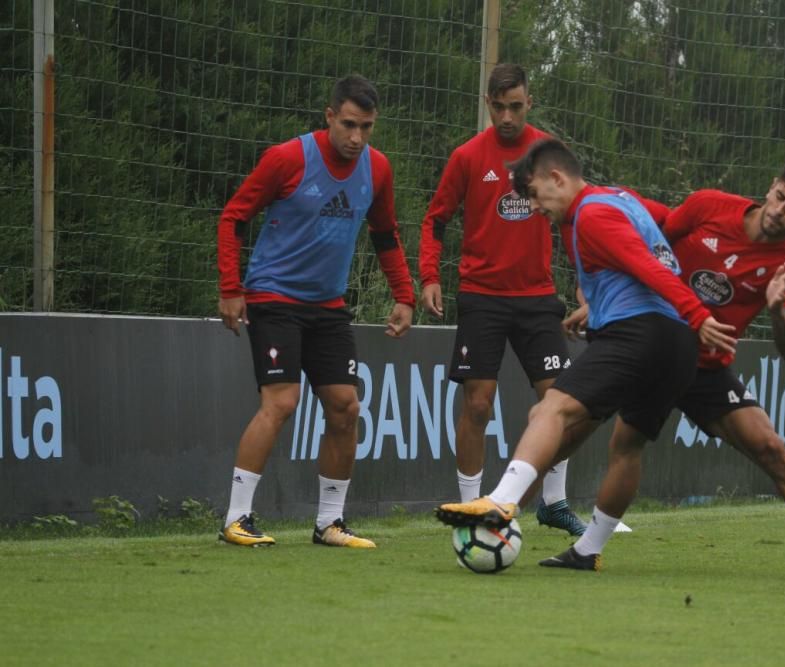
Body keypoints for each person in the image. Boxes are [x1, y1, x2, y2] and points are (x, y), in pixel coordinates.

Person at [562, 157, 785, 579]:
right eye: (780, 197)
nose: (779, 210)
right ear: (771, 185)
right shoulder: (707, 207)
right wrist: (597, 303)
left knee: (770, 447)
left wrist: (776, 310)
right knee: (607, 438)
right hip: (655, 345)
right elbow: (641, 253)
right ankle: (566, 540)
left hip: (705, 365)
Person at [434, 139, 738, 570]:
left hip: (641, 332)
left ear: (557, 178)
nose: (536, 209)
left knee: (550, 411)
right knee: (625, 444)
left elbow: (645, 266)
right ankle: (587, 550)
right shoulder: (623, 198)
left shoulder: (591, 215)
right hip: (676, 342)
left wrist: (698, 311)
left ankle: (499, 503)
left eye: (537, 196)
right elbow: (669, 231)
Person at [216, 74, 415, 548]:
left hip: (328, 306)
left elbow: (385, 235)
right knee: (282, 402)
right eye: (348, 124)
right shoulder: (286, 158)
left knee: (346, 408)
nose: (356, 137)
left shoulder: (378, 169)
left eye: (366, 127)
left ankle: (329, 523)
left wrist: (404, 295)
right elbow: (233, 217)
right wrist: (230, 287)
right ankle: (235, 518)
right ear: (329, 116)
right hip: (274, 298)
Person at [419, 64, 593, 535]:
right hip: (482, 297)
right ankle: (469, 511)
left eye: (516, 106)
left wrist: (586, 285)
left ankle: (553, 503)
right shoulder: (468, 157)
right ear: (487, 104)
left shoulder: (549, 153)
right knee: (478, 405)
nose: (507, 116)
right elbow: (436, 220)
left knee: (563, 403)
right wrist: (429, 276)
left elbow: (575, 219)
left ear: (528, 103)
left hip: (538, 299)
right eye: (499, 107)